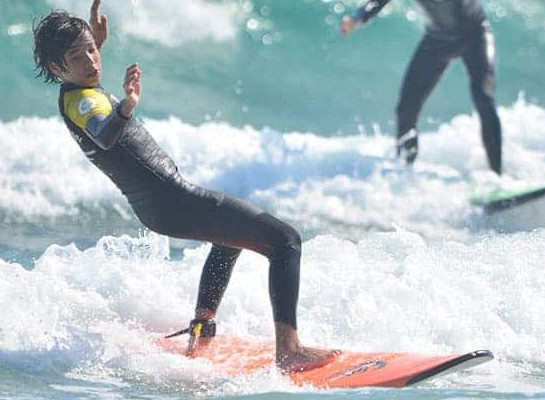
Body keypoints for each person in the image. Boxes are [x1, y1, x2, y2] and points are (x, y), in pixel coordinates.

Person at [33, 0, 338, 373]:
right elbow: (105, 134)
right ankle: (289, 351)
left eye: (93, 51)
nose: (93, 62)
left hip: (160, 206)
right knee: (285, 241)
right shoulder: (83, 103)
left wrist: (91, 39)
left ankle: (202, 325)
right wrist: (127, 105)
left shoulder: (76, 88)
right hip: (173, 199)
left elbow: (87, 77)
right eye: (78, 57)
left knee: (229, 240)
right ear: (56, 68)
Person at [342, 0, 502, 175]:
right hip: (437, 40)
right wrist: (358, 18)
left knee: (483, 97)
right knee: (406, 109)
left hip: (475, 34)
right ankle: (403, 173)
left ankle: (497, 176)